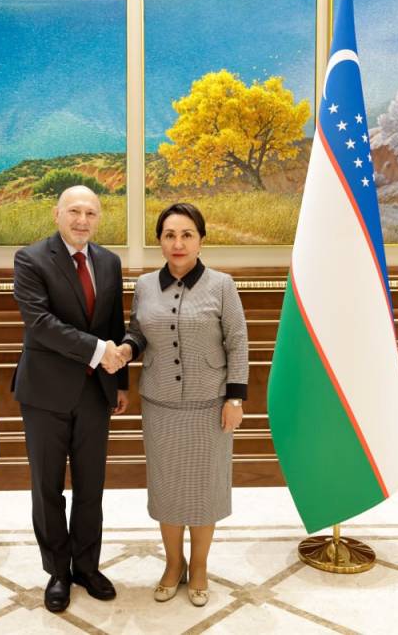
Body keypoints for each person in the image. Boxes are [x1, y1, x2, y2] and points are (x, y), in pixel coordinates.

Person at [118, 202, 248, 607]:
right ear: (160, 241)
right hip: (160, 404)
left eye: (187, 235)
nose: (178, 243)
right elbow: (137, 331)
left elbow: (237, 342)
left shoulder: (222, 285)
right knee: (167, 488)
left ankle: (200, 566)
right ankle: (173, 564)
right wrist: (126, 347)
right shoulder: (143, 286)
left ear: (200, 240)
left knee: (205, 490)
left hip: (210, 404)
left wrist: (235, 397)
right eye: (170, 235)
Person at [12, 185, 130, 613]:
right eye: (74, 211)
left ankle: (86, 566)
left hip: (95, 393)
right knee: (47, 488)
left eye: (91, 213)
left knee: (90, 487)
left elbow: (114, 323)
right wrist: (99, 351)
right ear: (56, 214)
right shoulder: (30, 259)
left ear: (99, 218)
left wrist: (119, 383)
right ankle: (58, 571)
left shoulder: (109, 262)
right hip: (45, 393)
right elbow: (40, 323)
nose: (83, 220)